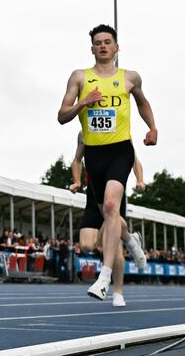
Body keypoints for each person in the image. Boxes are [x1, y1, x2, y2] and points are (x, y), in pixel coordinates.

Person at [58, 24, 157, 301]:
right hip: (94, 155)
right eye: (98, 43)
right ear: (92, 49)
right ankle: (130, 240)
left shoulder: (130, 78)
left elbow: (143, 103)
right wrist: (83, 103)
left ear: (116, 47)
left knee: (112, 207)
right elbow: (62, 115)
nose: (103, 46)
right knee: (110, 216)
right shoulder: (80, 77)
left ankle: (104, 279)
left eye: (107, 42)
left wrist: (152, 128)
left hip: (120, 150)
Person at [70, 130, 147, 307]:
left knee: (113, 247)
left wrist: (140, 180)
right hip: (93, 194)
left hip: (113, 192)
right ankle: (129, 237)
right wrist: (77, 181)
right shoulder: (83, 134)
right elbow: (76, 160)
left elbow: (133, 158)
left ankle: (117, 292)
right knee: (87, 245)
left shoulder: (118, 129)